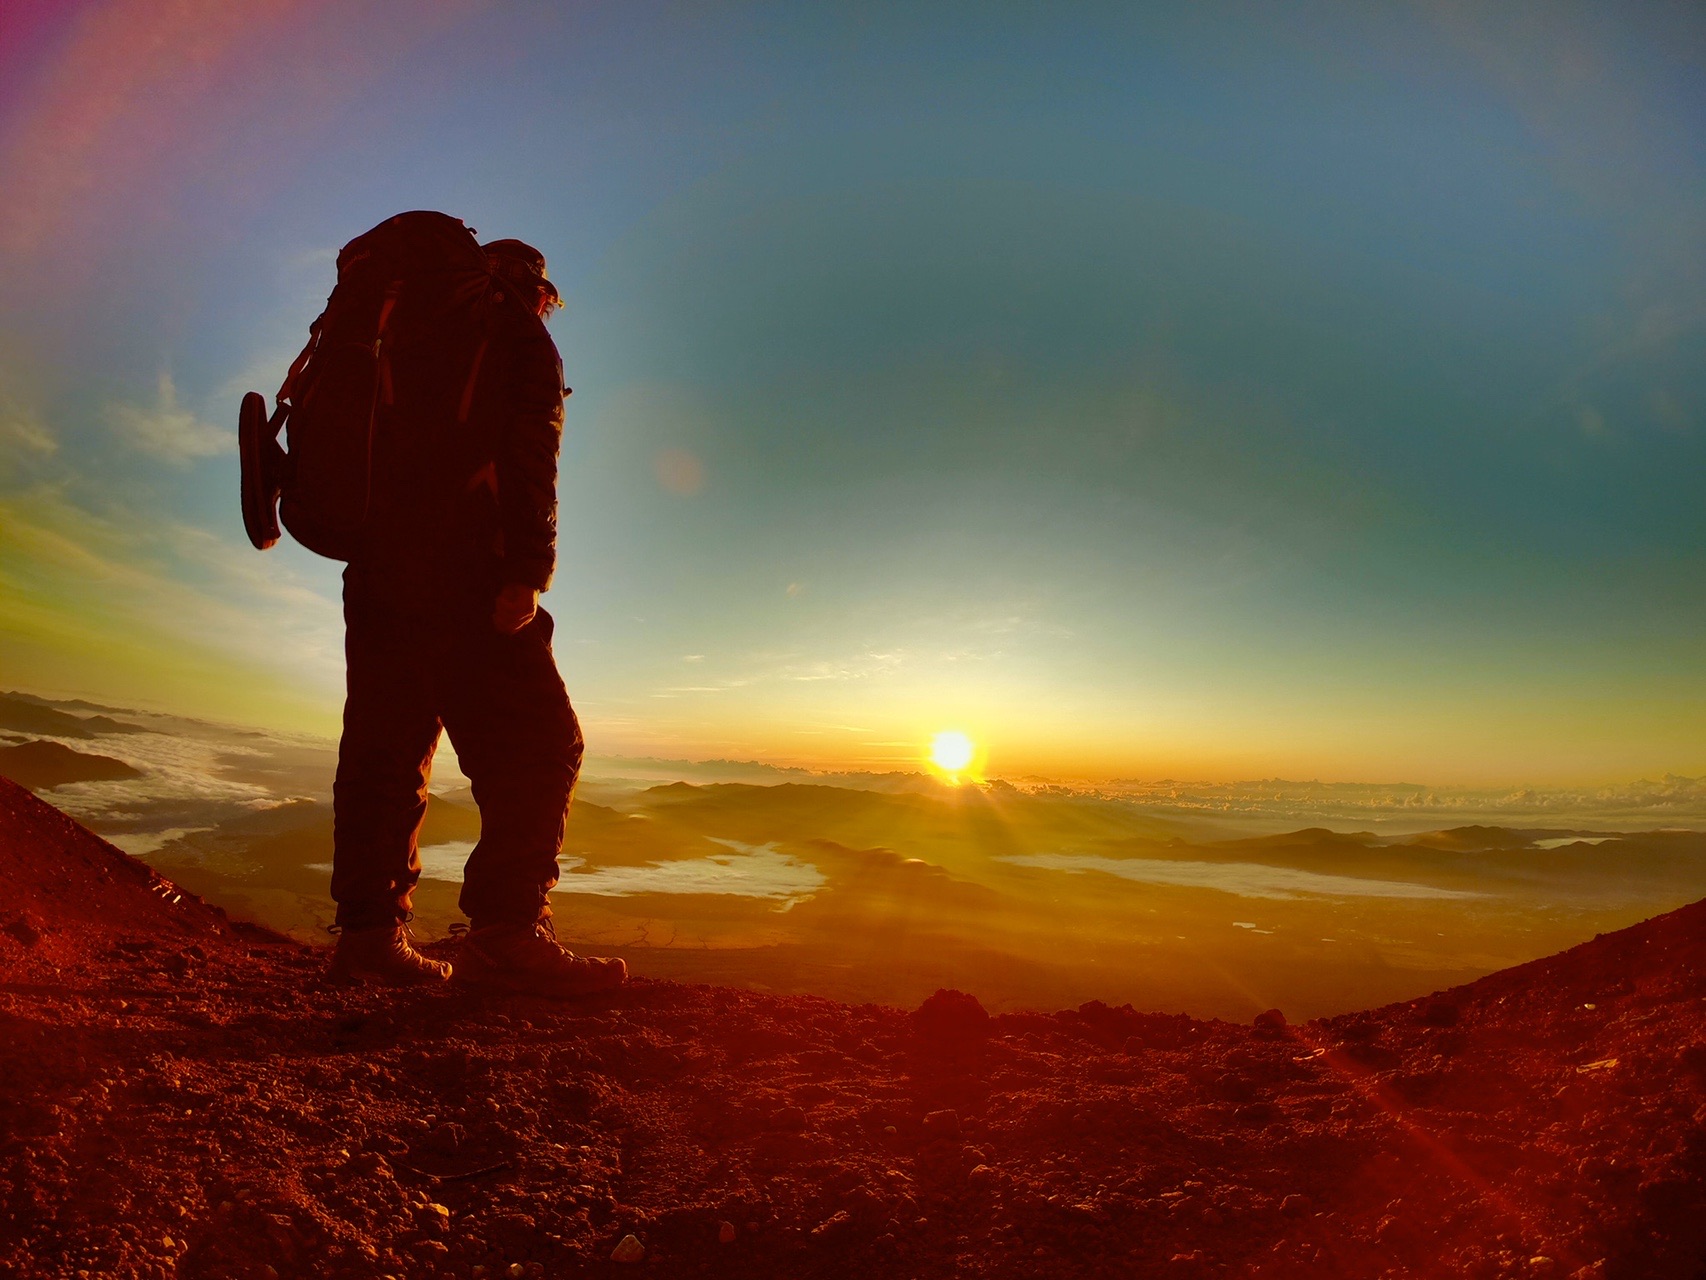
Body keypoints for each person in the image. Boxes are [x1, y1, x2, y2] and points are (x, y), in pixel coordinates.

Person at [325, 233, 626, 997]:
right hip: (472, 573)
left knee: (385, 750)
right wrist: (528, 572)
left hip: (378, 567)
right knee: (544, 743)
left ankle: (366, 936)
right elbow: (531, 458)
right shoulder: (516, 334)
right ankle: (507, 933)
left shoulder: (396, 328)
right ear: (535, 291)